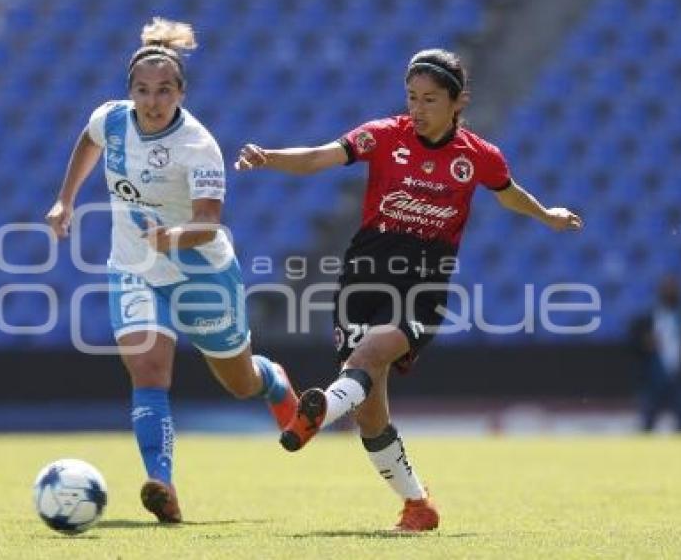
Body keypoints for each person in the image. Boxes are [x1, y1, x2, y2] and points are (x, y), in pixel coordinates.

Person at [235, 48, 583, 531]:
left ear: (458, 102)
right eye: (412, 97)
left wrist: (546, 214)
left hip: (421, 289)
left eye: (430, 100)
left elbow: (509, 193)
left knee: (370, 354)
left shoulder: (479, 156)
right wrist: (270, 157)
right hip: (361, 282)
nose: (417, 109)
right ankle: (418, 504)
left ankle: (316, 414)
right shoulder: (383, 136)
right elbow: (320, 156)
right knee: (371, 416)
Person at [45, 17, 298, 524]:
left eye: (164, 91)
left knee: (239, 382)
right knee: (148, 370)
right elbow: (88, 140)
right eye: (142, 90)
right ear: (130, 91)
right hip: (134, 267)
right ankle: (162, 482)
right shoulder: (112, 119)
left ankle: (273, 381)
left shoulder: (199, 147)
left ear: (181, 92)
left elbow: (209, 225)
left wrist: (170, 238)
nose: (152, 100)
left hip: (201, 272)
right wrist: (64, 200)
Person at [629, 275, 681, 433]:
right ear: (659, 291)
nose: (670, 291)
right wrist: (644, 343)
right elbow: (632, 346)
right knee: (646, 427)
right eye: (666, 288)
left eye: (673, 288)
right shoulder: (645, 319)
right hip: (652, 380)